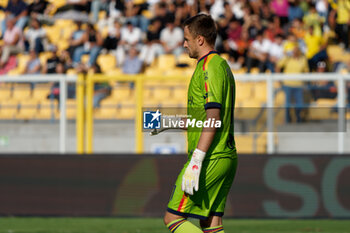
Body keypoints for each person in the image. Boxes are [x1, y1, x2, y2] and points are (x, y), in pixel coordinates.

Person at [152, 14, 237, 233]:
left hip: (211, 157)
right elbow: (201, 120)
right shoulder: (216, 66)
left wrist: (196, 162)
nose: (184, 43)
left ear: (200, 39)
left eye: (187, 38)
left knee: (172, 218)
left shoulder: (210, 67)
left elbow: (213, 119)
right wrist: (165, 122)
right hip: (222, 155)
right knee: (210, 223)